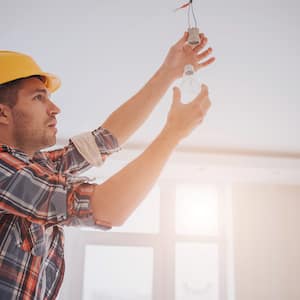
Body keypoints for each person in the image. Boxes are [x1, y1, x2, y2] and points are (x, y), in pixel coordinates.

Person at [0, 32, 215, 299]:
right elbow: (106, 207)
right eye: (38, 98)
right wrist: (172, 134)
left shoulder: (33, 167)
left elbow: (102, 142)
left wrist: (169, 72)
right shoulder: (3, 172)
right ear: (2, 113)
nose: (55, 108)